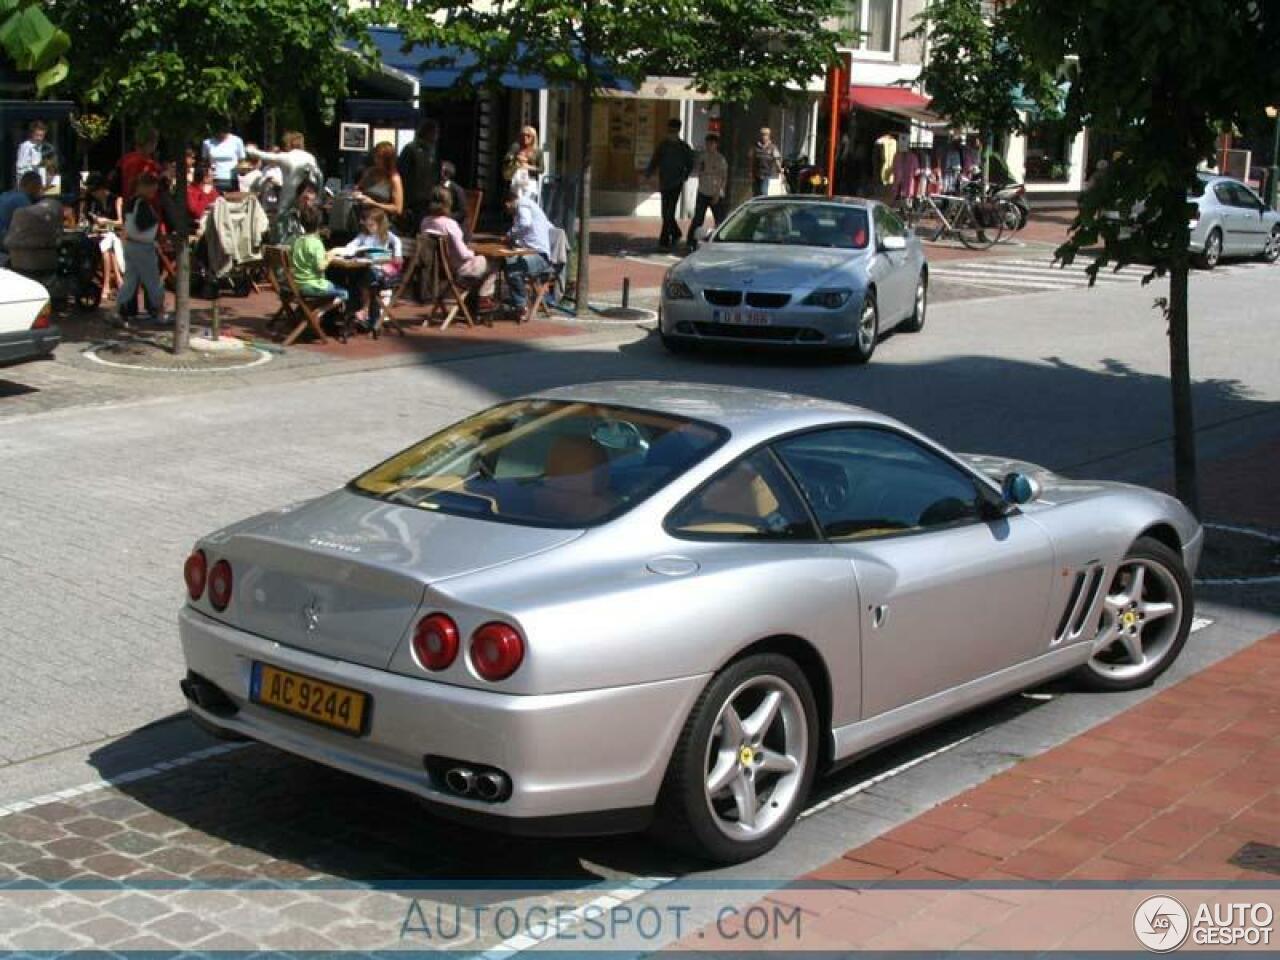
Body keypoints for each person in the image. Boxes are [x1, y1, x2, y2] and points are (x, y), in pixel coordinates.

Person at [420, 186, 497, 308]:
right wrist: (474, 253)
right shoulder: (450, 224)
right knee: (493, 264)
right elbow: (463, 254)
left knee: (482, 266)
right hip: (458, 268)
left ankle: (472, 301)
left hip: (438, 267)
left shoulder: (425, 221)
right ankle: (482, 299)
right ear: (448, 203)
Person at [334, 208, 403, 331]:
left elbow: (397, 241)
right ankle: (355, 312)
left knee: (366, 276)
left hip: (380, 270)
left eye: (372, 225)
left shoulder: (386, 235)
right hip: (366, 268)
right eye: (367, 225)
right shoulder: (364, 235)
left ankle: (365, 309)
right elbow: (353, 244)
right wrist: (348, 250)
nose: (369, 228)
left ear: (380, 224)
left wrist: (397, 254)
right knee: (353, 277)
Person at [117, 172, 168, 324]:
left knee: (130, 281)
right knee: (153, 280)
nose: (154, 192)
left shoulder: (132, 201)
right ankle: (160, 311)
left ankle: (117, 310)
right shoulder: (142, 203)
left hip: (132, 245)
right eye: (152, 189)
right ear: (144, 187)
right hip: (142, 246)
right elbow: (143, 226)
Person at [645, 118, 695, 251]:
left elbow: (691, 164)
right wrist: (648, 173)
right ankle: (676, 233)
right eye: (670, 130)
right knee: (665, 213)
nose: (671, 133)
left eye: (674, 130)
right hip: (664, 182)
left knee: (669, 212)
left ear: (678, 131)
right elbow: (655, 160)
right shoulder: (663, 145)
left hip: (676, 183)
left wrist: (684, 177)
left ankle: (664, 242)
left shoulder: (683, 147)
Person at [502, 186, 552, 313]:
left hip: (540, 256)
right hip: (531, 251)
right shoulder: (523, 208)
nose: (507, 210)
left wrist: (509, 234)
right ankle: (515, 301)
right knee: (505, 263)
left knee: (513, 269)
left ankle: (520, 305)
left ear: (509, 202)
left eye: (506, 207)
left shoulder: (523, 205)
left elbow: (525, 223)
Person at [289, 204, 348, 311]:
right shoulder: (316, 243)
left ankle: (311, 312)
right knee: (344, 293)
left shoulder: (297, 241)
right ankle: (319, 312)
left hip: (298, 283)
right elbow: (321, 267)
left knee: (331, 284)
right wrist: (331, 255)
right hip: (313, 285)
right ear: (319, 224)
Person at [247, 131, 322, 212]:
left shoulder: (287, 157)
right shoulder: (310, 157)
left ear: (289, 144)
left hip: (287, 200)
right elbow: (319, 176)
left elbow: (265, 156)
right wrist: (318, 196)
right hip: (307, 200)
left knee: (283, 219)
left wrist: (250, 150)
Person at [82, 173, 125, 302]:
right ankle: (117, 281)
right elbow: (91, 220)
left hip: (118, 234)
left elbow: (121, 222)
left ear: (102, 189)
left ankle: (107, 285)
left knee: (108, 245)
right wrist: (95, 224)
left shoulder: (116, 200)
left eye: (95, 191)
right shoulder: (93, 202)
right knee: (107, 247)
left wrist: (106, 221)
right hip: (102, 236)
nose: (93, 194)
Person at [686, 132, 729, 251]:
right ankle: (691, 242)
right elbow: (699, 172)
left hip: (715, 193)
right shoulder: (702, 157)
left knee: (720, 219)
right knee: (698, 218)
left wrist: (718, 193)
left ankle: (721, 242)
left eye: (712, 143)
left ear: (716, 145)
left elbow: (723, 177)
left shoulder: (720, 159)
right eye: (707, 143)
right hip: (703, 191)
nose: (709, 146)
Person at [398, 119, 440, 231]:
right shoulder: (410, 149)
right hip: (413, 198)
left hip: (428, 197)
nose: (436, 136)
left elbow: (434, 172)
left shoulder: (432, 150)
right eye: (434, 133)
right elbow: (402, 173)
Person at [353, 141, 404, 219]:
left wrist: (374, 204)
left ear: (387, 160)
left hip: (381, 220)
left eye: (379, 157)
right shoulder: (370, 172)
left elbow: (398, 209)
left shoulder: (394, 178)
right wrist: (357, 193)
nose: (376, 160)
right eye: (375, 156)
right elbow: (359, 188)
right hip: (363, 218)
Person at [113, 131, 160, 205]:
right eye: (155, 142)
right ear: (150, 144)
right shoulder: (149, 164)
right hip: (145, 205)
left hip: (127, 204)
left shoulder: (123, 160)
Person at [0, 172, 44, 247]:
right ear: (33, 185)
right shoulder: (22, 200)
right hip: (5, 245)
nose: (40, 189)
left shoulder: (5, 194)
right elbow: (33, 225)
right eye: (39, 186)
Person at [503, 126, 543, 201]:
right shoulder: (516, 147)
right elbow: (507, 159)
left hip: (530, 183)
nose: (525, 137)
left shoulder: (538, 151)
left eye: (528, 136)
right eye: (523, 135)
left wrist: (528, 167)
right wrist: (516, 158)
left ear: (533, 138)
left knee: (526, 205)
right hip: (516, 181)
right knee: (516, 205)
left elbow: (541, 169)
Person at [202, 127, 246, 193]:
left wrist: (241, 171)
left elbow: (242, 161)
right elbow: (205, 162)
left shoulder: (237, 141)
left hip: (232, 179)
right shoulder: (207, 143)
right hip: (214, 179)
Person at [749, 127, 783, 197]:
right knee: (755, 193)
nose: (764, 136)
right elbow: (751, 159)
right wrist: (750, 171)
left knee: (763, 192)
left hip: (766, 174)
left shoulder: (772, 147)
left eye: (766, 135)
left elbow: (776, 159)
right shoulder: (755, 147)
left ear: (769, 136)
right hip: (756, 174)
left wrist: (780, 169)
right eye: (762, 135)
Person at [15, 121, 50, 185]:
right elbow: (20, 168)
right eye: (37, 135)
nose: (39, 138)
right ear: (32, 134)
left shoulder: (39, 145)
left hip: (35, 181)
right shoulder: (25, 146)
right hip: (27, 183)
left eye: (42, 136)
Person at [440, 161, 469, 233]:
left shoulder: (457, 190)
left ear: (446, 174)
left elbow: (462, 212)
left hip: (456, 227)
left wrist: (447, 217)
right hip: (441, 224)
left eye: (441, 171)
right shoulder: (437, 187)